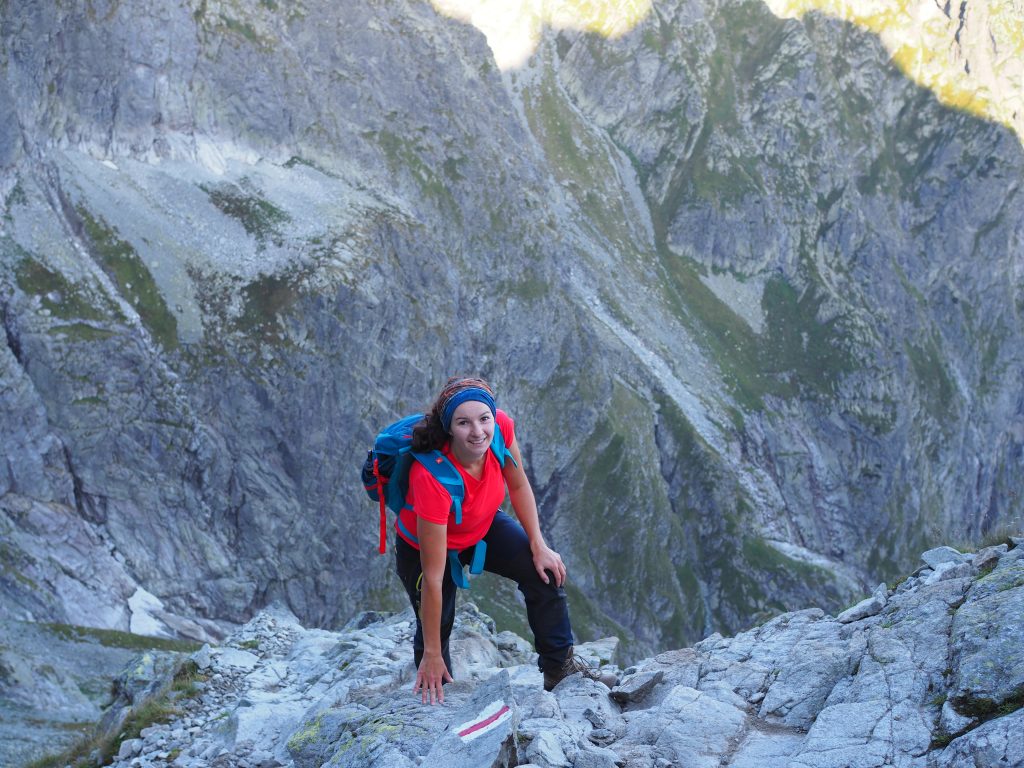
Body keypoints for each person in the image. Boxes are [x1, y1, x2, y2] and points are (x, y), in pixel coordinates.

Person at [393, 375, 596, 704]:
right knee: (437, 619)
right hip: (426, 545)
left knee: (542, 571)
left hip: (481, 522)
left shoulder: (501, 427)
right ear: (448, 428)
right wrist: (432, 652)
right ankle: (433, 691)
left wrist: (538, 545)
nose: (477, 431)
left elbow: (517, 485)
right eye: (463, 423)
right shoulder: (430, 476)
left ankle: (559, 668)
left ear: (493, 416)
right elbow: (432, 577)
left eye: (483, 419)